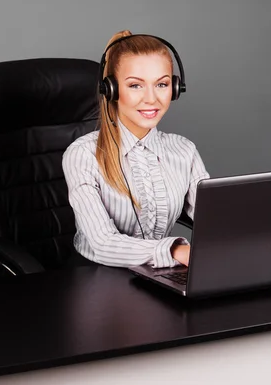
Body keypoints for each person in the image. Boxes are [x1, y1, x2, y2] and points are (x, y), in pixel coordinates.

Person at [62, 30, 209, 269]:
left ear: (175, 88)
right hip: (96, 276)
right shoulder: (83, 154)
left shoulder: (184, 150)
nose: (151, 98)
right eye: (135, 86)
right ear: (111, 90)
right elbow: (102, 243)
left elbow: (214, 218)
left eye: (161, 84)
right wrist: (175, 251)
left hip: (159, 272)